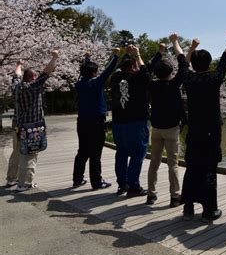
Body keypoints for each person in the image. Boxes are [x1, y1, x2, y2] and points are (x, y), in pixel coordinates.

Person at [181, 30, 226, 222]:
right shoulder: (214, 79)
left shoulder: (188, 79)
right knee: (209, 169)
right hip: (211, 132)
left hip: (194, 130)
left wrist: (190, 48)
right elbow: (225, 58)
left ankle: (188, 207)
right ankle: (209, 209)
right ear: (208, 63)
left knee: (192, 167)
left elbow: (182, 62)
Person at [146, 34, 198, 207]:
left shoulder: (151, 85)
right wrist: (183, 46)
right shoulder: (174, 84)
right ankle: (175, 196)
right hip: (172, 129)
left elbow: (147, 70)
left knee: (154, 163)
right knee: (172, 164)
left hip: (156, 128)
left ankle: (151, 195)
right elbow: (184, 64)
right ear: (170, 73)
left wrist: (160, 53)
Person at [8, 51, 59, 192]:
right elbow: (46, 72)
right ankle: (24, 183)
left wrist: (18, 64)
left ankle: (11, 179)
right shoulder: (33, 87)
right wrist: (54, 57)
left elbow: (16, 75)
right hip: (31, 128)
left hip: (17, 126)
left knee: (17, 152)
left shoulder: (17, 86)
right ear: (33, 78)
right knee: (30, 155)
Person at [72, 48, 120, 190]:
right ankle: (97, 182)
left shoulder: (79, 83)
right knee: (95, 153)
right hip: (96, 122)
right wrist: (116, 56)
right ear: (94, 73)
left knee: (82, 151)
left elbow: (84, 71)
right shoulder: (96, 83)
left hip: (82, 122)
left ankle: (77, 179)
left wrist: (87, 58)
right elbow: (108, 70)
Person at [110, 45, 150, 197]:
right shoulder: (138, 78)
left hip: (118, 122)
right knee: (138, 153)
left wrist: (125, 55)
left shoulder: (115, 78)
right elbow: (146, 73)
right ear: (134, 66)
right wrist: (138, 54)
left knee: (121, 153)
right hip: (136, 122)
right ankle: (133, 185)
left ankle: (122, 184)